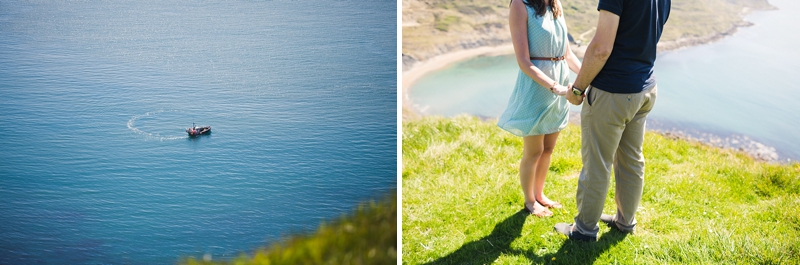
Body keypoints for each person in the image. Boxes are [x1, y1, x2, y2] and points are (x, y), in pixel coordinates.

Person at [554, 0, 671, 241]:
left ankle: (584, 230)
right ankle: (625, 221)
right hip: (645, 89)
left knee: (597, 164)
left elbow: (601, 49)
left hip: (613, 92)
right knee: (632, 160)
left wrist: (577, 90)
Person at [497, 0, 582, 217]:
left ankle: (540, 194)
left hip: (561, 83)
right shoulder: (519, 5)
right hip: (538, 86)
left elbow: (569, 55)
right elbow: (524, 61)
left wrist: (589, 78)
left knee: (548, 149)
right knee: (534, 151)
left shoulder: (556, 4)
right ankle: (529, 201)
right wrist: (555, 87)